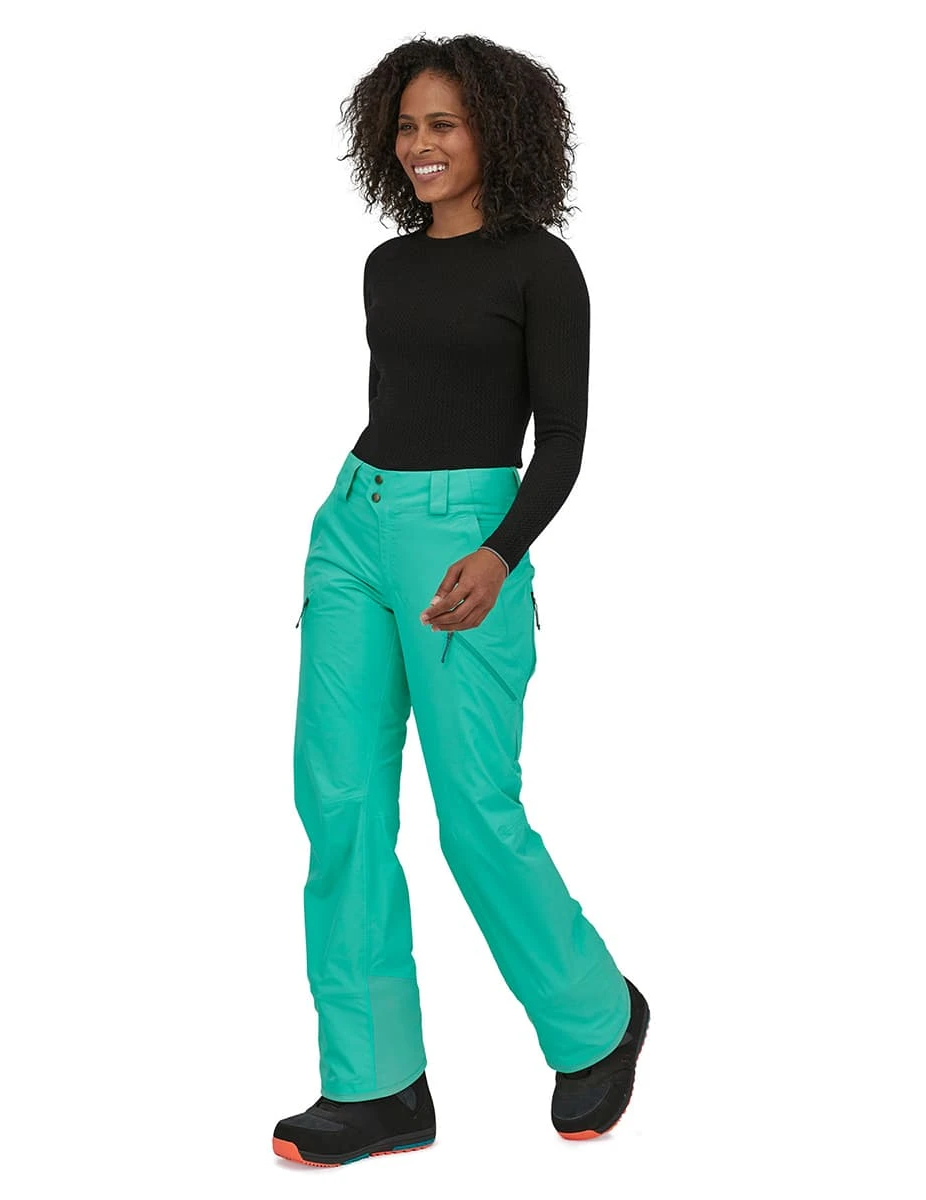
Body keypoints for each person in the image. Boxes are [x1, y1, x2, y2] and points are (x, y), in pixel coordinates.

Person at [273, 34, 649, 1168]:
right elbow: (403, 400)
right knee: (340, 802)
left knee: (475, 809)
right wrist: (363, 521)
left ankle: (597, 1015)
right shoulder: (388, 266)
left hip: (466, 540)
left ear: (498, 132)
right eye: (406, 127)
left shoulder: (541, 266)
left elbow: (563, 440)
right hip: (354, 522)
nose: (421, 145)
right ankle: (376, 1084)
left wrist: (500, 551)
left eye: (444, 124)